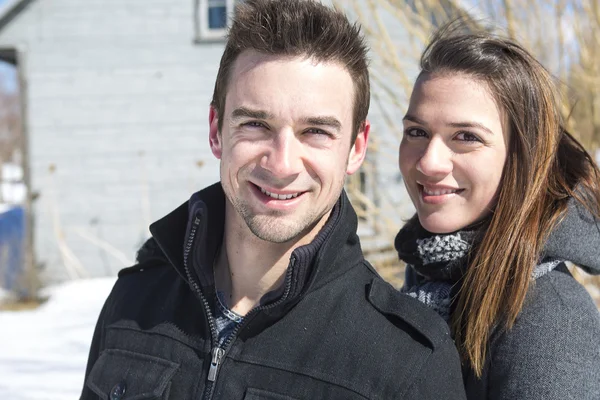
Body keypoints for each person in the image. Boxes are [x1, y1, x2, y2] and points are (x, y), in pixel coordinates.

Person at [80, 1, 466, 399]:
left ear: (356, 147)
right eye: (255, 124)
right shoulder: (133, 303)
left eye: (315, 131)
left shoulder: (405, 361)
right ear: (216, 131)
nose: (281, 165)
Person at [396, 23, 600, 400]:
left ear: (521, 159)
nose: (429, 162)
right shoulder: (432, 273)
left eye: (466, 137)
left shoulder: (549, 317)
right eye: (417, 132)